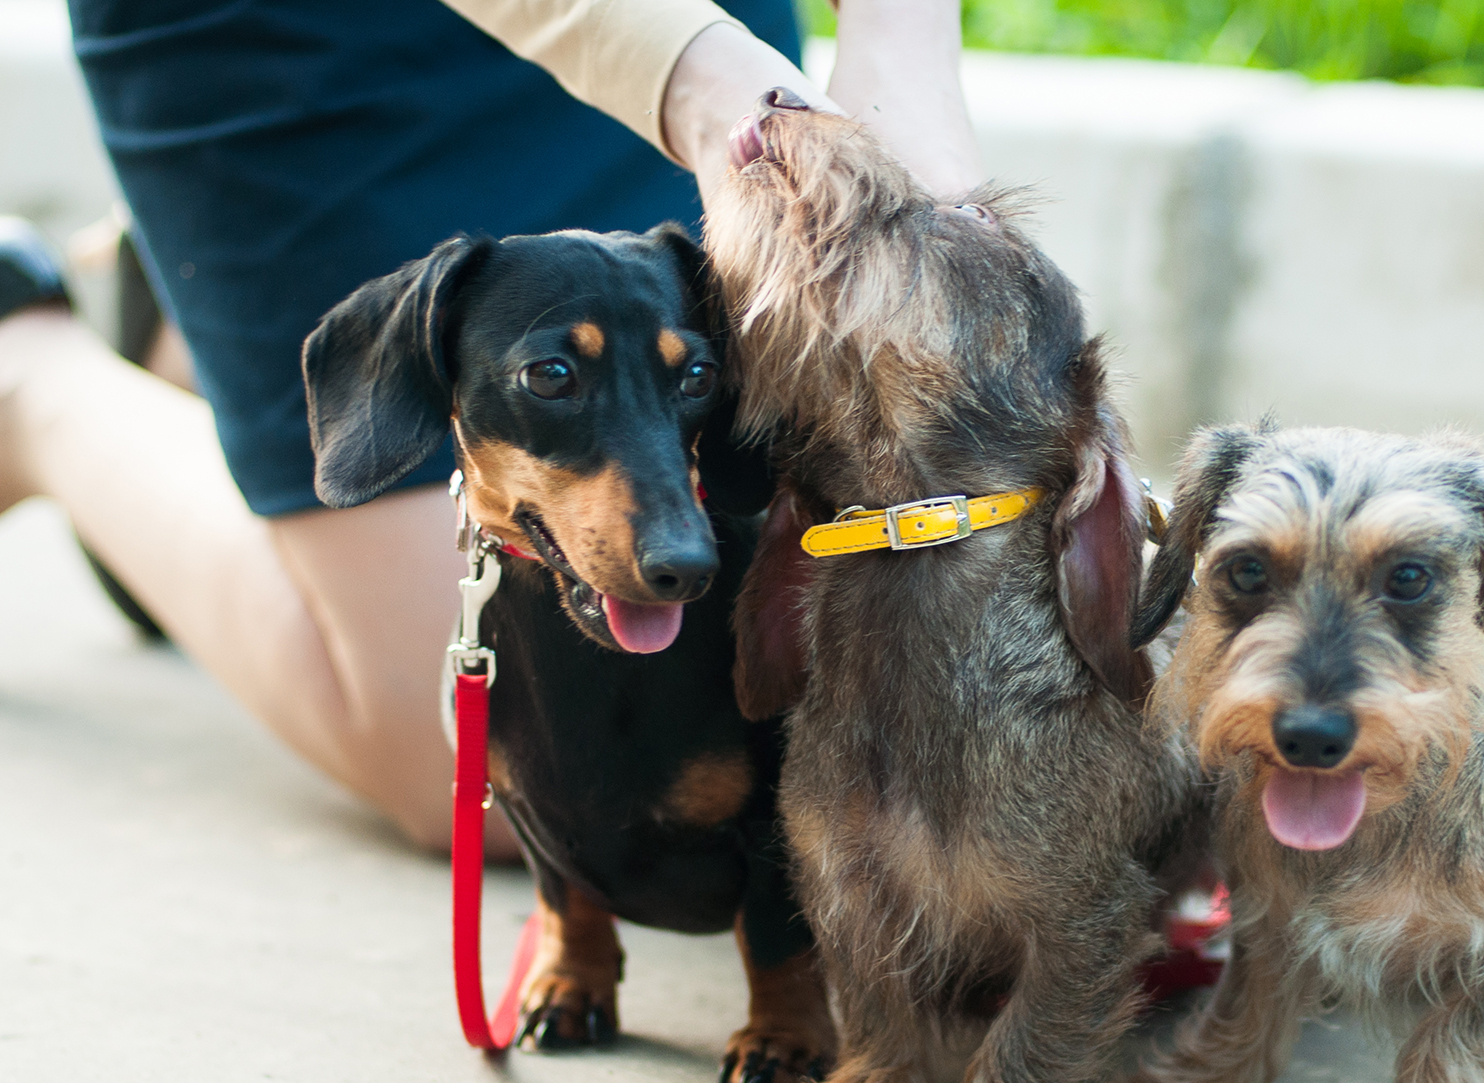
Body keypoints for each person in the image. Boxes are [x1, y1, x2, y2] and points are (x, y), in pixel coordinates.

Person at [0, 0, 981, 853]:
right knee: (493, 780)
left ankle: (206, 328)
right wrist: (710, 94)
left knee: (725, 670)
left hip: (690, 17)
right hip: (307, 40)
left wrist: (903, 35)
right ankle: (33, 380)